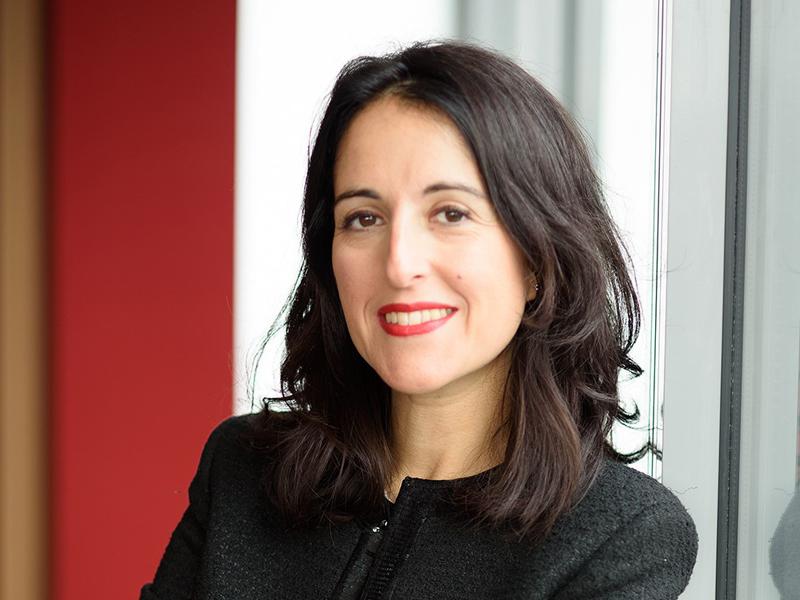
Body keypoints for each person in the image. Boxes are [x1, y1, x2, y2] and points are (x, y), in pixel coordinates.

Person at [141, 40, 698, 599]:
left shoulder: (618, 535)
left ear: (537, 259)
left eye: (450, 213)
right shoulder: (241, 471)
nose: (399, 263)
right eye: (363, 218)